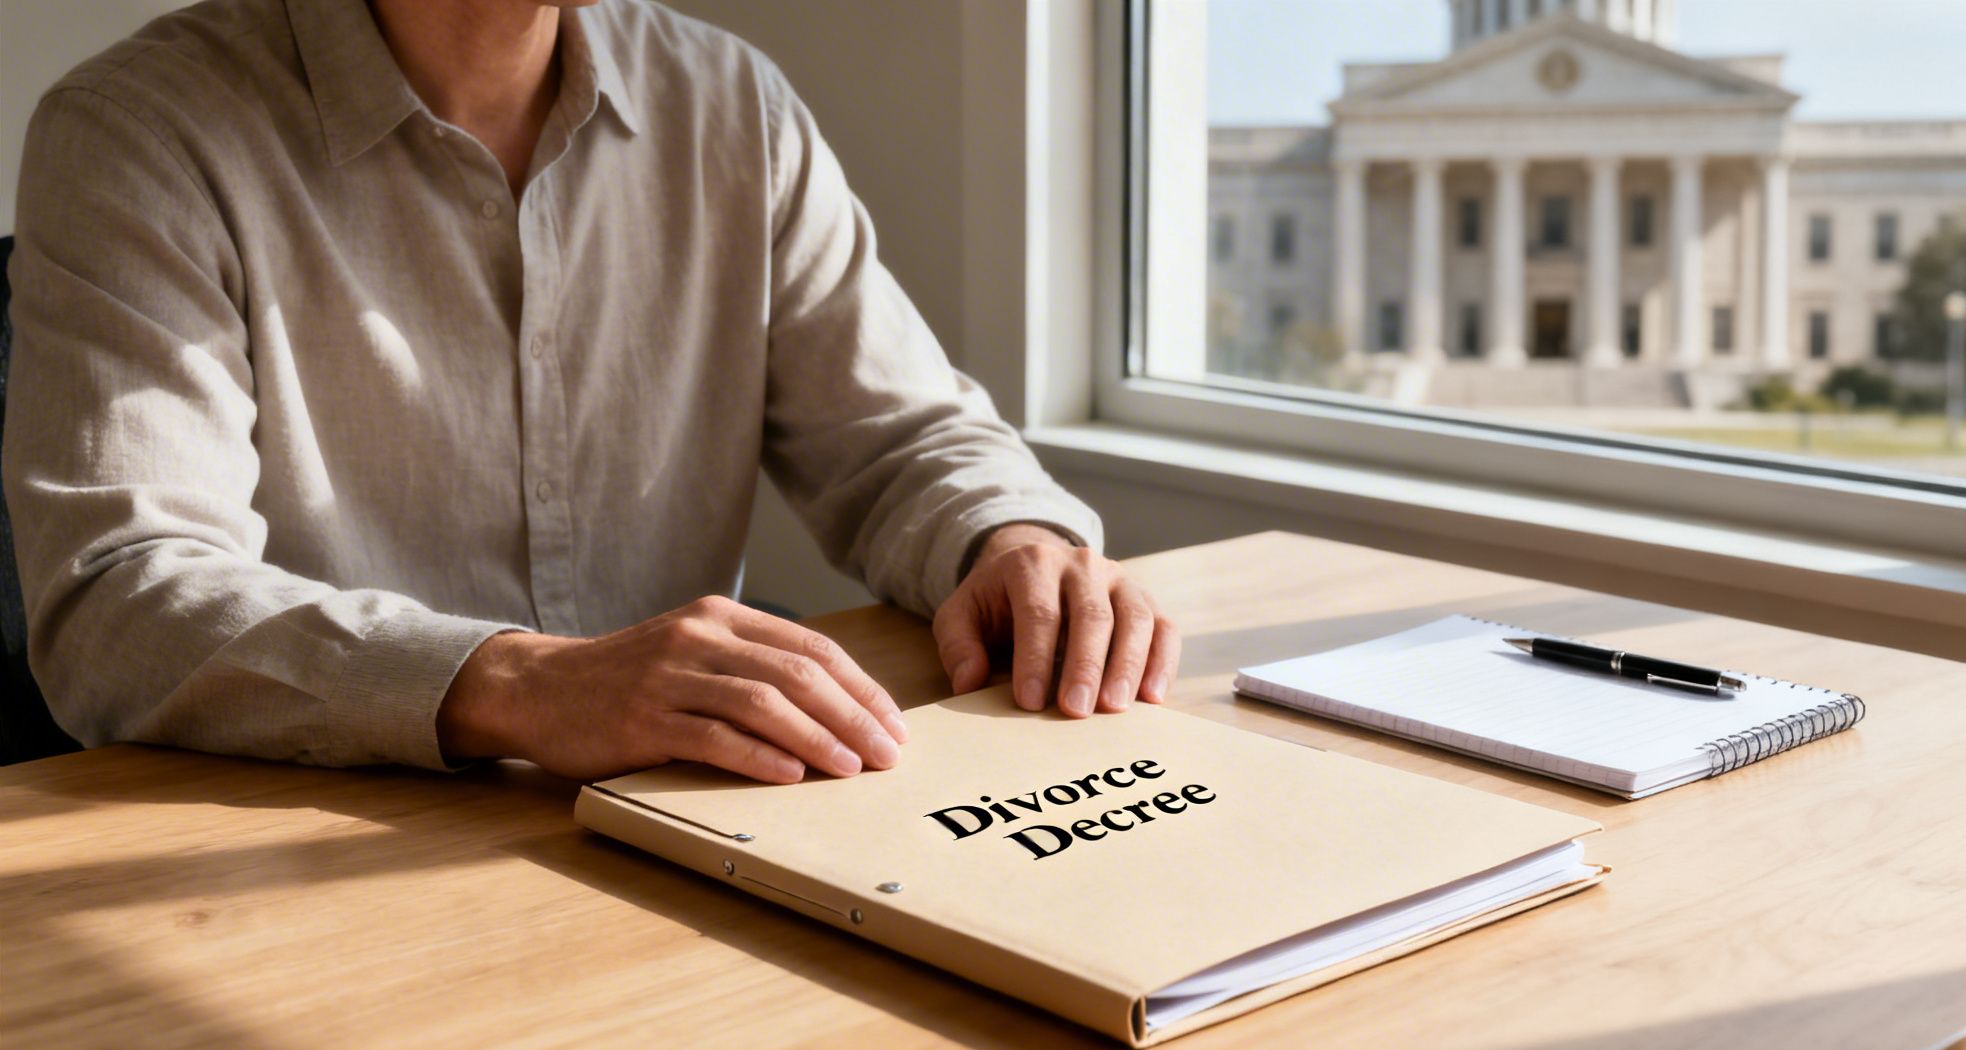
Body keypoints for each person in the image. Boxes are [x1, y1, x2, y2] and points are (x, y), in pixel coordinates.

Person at [2, 0, 1178, 783]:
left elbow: (900, 437)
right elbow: (117, 600)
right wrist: (517, 683)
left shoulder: (732, 105)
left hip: (690, 824)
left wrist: (1007, 534)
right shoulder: (136, 134)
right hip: (313, 849)